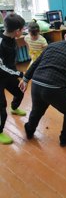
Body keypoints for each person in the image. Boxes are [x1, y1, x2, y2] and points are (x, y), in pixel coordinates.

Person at [19, 25, 66, 147]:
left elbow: (36, 63)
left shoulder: (52, 45)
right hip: (54, 89)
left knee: (37, 109)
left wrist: (25, 79)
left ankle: (29, 130)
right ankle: (65, 138)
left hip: (36, 83)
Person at [0, 13, 26, 144]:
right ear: (17, 31)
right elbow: (2, 66)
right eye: (23, 29)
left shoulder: (11, 38)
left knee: (19, 92)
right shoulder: (1, 43)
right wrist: (20, 74)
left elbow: (9, 63)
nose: (24, 30)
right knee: (1, 110)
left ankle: (14, 108)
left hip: (7, 75)